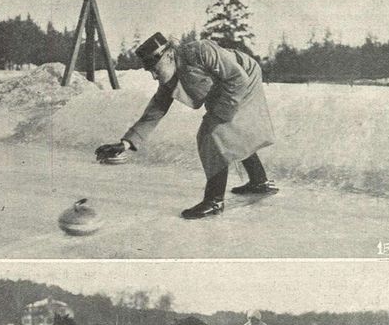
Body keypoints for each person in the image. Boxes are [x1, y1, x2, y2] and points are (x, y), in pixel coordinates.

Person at [96, 30, 277, 220]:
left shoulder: (200, 51)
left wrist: (220, 118)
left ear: (169, 55)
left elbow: (237, 78)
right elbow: (155, 110)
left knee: (211, 134)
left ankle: (214, 200)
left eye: (155, 69)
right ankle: (259, 181)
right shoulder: (170, 78)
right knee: (228, 132)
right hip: (225, 85)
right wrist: (124, 143)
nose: (154, 77)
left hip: (244, 77)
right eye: (150, 72)